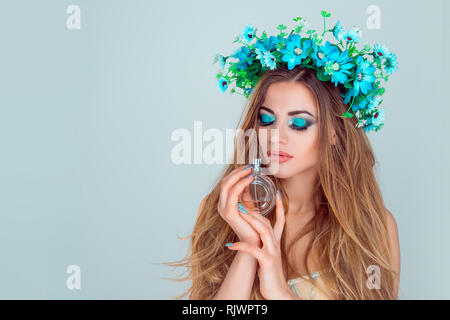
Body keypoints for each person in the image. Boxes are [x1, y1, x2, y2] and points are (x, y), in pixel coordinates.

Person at [166, 12, 400, 300]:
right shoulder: (218, 212)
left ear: (334, 134)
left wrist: (278, 290)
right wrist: (250, 246)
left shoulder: (373, 226)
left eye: (298, 123)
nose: (276, 136)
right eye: (266, 120)